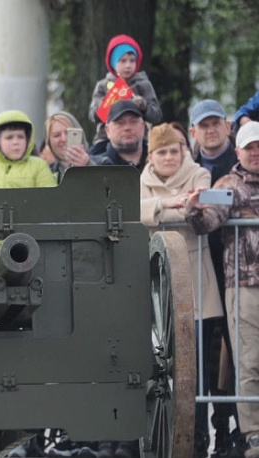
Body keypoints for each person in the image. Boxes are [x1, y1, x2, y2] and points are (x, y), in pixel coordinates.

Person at [140, 123, 224, 457]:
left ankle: (199, 435)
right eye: (162, 151)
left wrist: (162, 208)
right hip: (159, 287)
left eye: (175, 150)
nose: (170, 157)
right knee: (160, 368)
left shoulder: (199, 172)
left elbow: (198, 204)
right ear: (151, 156)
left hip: (196, 282)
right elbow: (135, 209)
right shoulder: (140, 180)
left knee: (197, 369)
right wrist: (168, 204)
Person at [186, 121, 259, 458]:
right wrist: (193, 207)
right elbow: (206, 220)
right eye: (250, 147)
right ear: (238, 150)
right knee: (249, 363)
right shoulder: (227, 185)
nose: (256, 152)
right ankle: (254, 434)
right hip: (243, 287)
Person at [188, 99, 241, 456]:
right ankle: (198, 433)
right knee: (199, 356)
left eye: (215, 124)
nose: (210, 130)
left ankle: (229, 429)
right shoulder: (189, 167)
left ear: (227, 126)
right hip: (198, 273)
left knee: (235, 355)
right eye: (202, 125)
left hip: (235, 270)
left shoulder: (237, 166)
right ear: (193, 131)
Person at [88, 34, 162, 144]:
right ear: (113, 63)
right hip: (105, 139)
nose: (128, 65)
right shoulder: (103, 85)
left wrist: (143, 106)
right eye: (123, 61)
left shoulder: (144, 84)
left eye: (132, 61)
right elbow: (92, 115)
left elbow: (156, 116)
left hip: (140, 141)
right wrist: (106, 105)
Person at [0, 110, 55, 189]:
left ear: (28, 139)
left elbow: (50, 201)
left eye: (20, 137)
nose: (16, 142)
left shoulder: (39, 166)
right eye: (9, 138)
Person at [90, 100, 149, 171]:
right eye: (120, 123)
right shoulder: (94, 167)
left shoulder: (160, 164)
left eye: (133, 122)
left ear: (143, 126)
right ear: (107, 130)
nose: (127, 128)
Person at [42, 111, 94, 183]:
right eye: (57, 135)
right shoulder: (45, 172)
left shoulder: (103, 162)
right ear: (49, 142)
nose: (63, 139)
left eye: (68, 133)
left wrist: (88, 165)